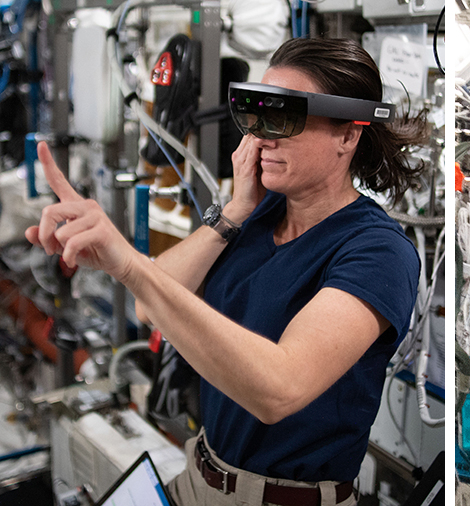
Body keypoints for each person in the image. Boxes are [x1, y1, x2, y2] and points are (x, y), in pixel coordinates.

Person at [27, 37, 427, 506]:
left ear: (348, 134)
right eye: (254, 114)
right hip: (199, 476)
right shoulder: (257, 212)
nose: (261, 136)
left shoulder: (377, 251)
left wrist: (132, 264)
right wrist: (233, 211)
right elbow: (150, 307)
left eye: (284, 116)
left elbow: (278, 390)